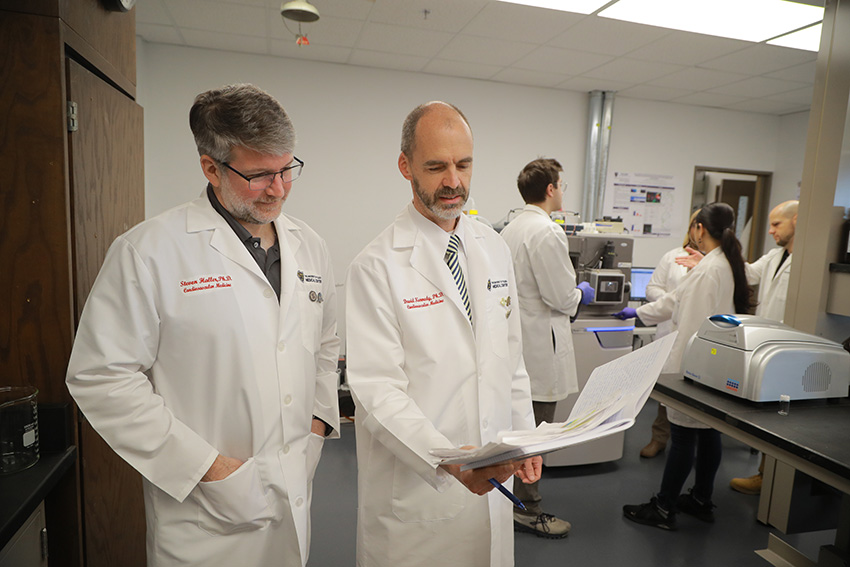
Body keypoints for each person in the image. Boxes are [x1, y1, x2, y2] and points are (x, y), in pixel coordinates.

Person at [66, 84, 340, 567]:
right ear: (211, 168)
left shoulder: (309, 245)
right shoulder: (148, 250)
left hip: (294, 482)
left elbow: (323, 343)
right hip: (206, 514)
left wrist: (317, 425)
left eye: (286, 170)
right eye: (258, 175)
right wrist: (209, 470)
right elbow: (100, 377)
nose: (278, 189)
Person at [345, 101, 541, 567]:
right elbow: (376, 390)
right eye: (436, 166)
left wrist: (526, 437)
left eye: (463, 164)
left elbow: (511, 361)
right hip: (420, 492)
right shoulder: (376, 266)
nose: (453, 181)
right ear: (405, 165)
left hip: (495, 478)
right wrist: (448, 459)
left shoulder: (493, 247)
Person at [613, 202, 753, 530]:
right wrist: (640, 313)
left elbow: (689, 327)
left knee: (684, 436)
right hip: (714, 366)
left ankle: (663, 508)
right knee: (707, 435)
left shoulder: (709, 269)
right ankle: (701, 499)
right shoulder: (720, 263)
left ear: (700, 229)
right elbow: (674, 300)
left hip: (694, 367)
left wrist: (675, 375)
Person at [499, 158, 594, 538]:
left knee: (517, 429)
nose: (562, 191)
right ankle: (527, 508)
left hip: (517, 343)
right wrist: (580, 293)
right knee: (537, 432)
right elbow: (560, 297)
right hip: (540, 347)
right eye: (562, 185)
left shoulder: (510, 229)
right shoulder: (548, 232)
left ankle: (510, 500)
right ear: (551, 189)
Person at [677, 200, 798, 495]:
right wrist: (707, 260)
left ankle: (772, 481)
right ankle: (764, 475)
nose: (770, 231)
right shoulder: (775, 256)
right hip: (766, 346)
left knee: (783, 418)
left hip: (789, 348)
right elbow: (747, 273)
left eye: (776, 224)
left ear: (796, 221)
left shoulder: (807, 262)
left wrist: (709, 263)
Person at [638, 209, 700, 459]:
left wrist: (677, 303)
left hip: (698, 336)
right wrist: (670, 302)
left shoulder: (715, 263)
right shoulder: (672, 256)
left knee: (696, 390)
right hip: (669, 330)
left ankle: (691, 444)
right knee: (666, 389)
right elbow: (652, 287)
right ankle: (659, 438)